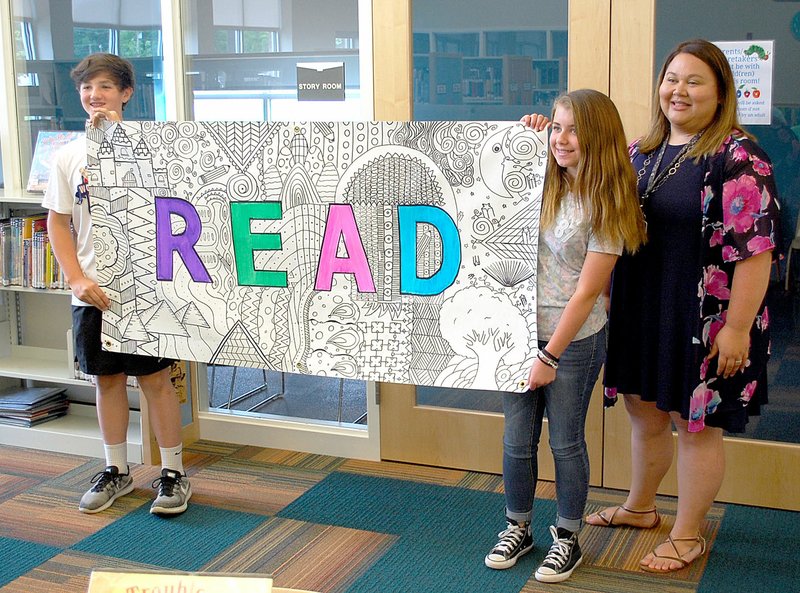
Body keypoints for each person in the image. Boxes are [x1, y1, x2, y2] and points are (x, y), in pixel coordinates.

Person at [586, 39, 781, 573]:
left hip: (707, 318)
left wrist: (737, 328)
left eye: (695, 81)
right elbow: (580, 182)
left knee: (694, 425)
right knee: (643, 415)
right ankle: (640, 507)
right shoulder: (640, 152)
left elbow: (756, 254)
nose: (679, 90)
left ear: (720, 93)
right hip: (642, 309)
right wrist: (538, 132)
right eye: (672, 78)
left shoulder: (739, 158)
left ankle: (689, 534)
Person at [484, 90, 647, 582]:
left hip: (572, 341)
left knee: (566, 441)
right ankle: (518, 527)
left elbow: (588, 292)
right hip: (518, 330)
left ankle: (568, 537)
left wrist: (549, 358)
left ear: (598, 136)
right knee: (516, 440)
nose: (561, 139)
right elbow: (491, 187)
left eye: (573, 129)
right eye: (556, 127)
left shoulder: (609, 199)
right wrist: (524, 136)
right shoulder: (541, 181)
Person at [43, 53, 192, 516]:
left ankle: (173, 474)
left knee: (156, 380)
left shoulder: (153, 150)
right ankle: (116, 470)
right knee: (106, 380)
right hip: (93, 290)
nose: (95, 95)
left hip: (145, 288)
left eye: (105, 86)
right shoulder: (68, 156)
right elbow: (57, 222)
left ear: (126, 93)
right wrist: (76, 277)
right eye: (87, 88)